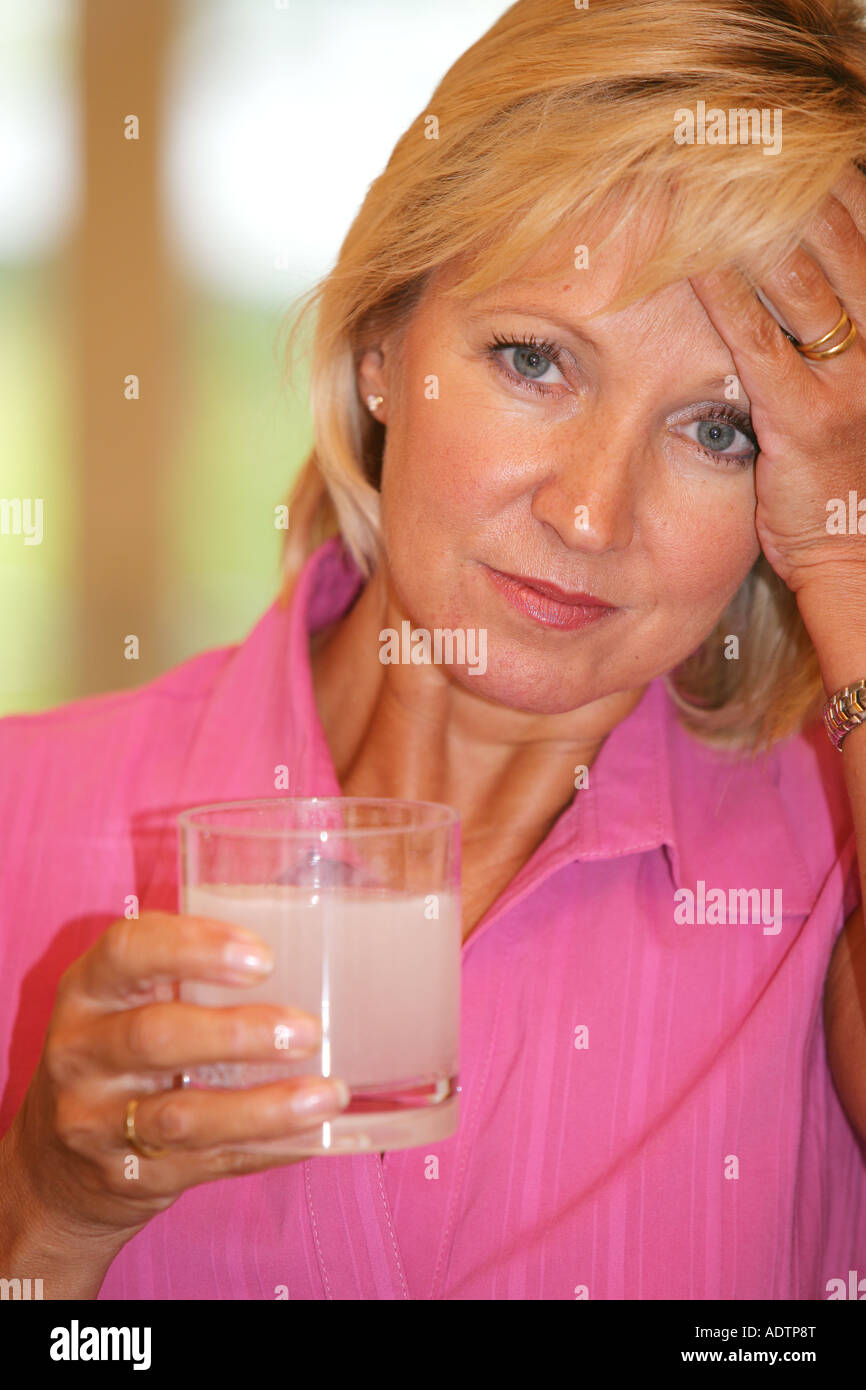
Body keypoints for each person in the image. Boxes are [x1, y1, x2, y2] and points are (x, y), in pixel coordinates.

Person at [2, 0, 866, 1301]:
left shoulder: (826, 878)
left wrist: (849, 561)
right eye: (533, 359)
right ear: (378, 344)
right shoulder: (21, 818)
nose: (587, 512)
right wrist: (45, 1215)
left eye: (720, 433)